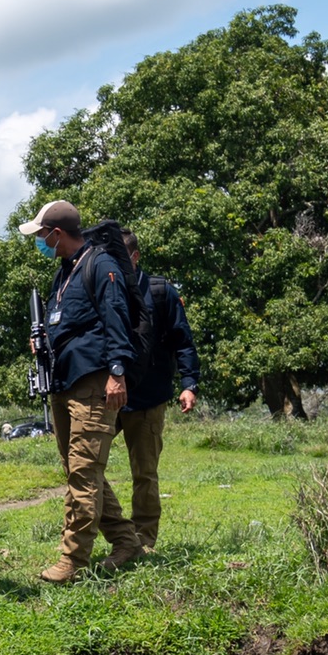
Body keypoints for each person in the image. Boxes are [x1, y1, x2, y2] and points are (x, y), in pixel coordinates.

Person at [20, 200, 143, 582]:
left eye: (42, 236)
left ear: (57, 233)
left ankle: (73, 559)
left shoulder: (99, 264)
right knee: (79, 470)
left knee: (83, 473)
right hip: (63, 381)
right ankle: (127, 542)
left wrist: (117, 373)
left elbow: (115, 320)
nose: (40, 242)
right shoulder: (63, 273)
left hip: (94, 381)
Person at [119, 231, 202, 550]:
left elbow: (183, 340)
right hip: (107, 396)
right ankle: (114, 533)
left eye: (120, 256)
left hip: (148, 396)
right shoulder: (102, 289)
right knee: (86, 466)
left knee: (144, 473)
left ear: (135, 257)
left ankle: (143, 539)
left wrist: (188, 384)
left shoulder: (160, 291)